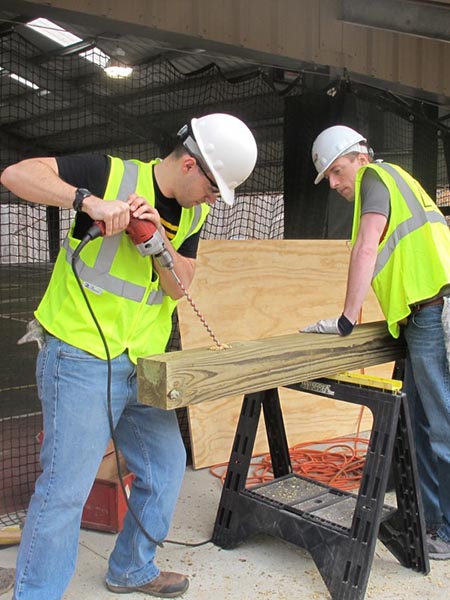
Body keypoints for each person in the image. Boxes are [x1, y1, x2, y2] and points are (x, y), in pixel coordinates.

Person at [0, 112, 257, 599]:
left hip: (142, 365)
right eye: (211, 187)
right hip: (80, 357)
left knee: (164, 467)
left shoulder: (194, 213)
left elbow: (180, 287)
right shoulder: (109, 174)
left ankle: (131, 568)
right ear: (189, 166)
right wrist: (90, 202)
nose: (211, 200)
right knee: (64, 491)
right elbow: (16, 174)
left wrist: (159, 243)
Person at [303, 124, 450, 560]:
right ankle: (431, 521)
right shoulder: (398, 179)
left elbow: (366, 248)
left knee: (441, 425)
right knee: (424, 424)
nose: (333, 183)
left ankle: (446, 531)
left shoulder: (373, 179)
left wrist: (347, 319)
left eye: (336, 170)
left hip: (430, 310)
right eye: (327, 176)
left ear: (359, 158)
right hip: (423, 311)